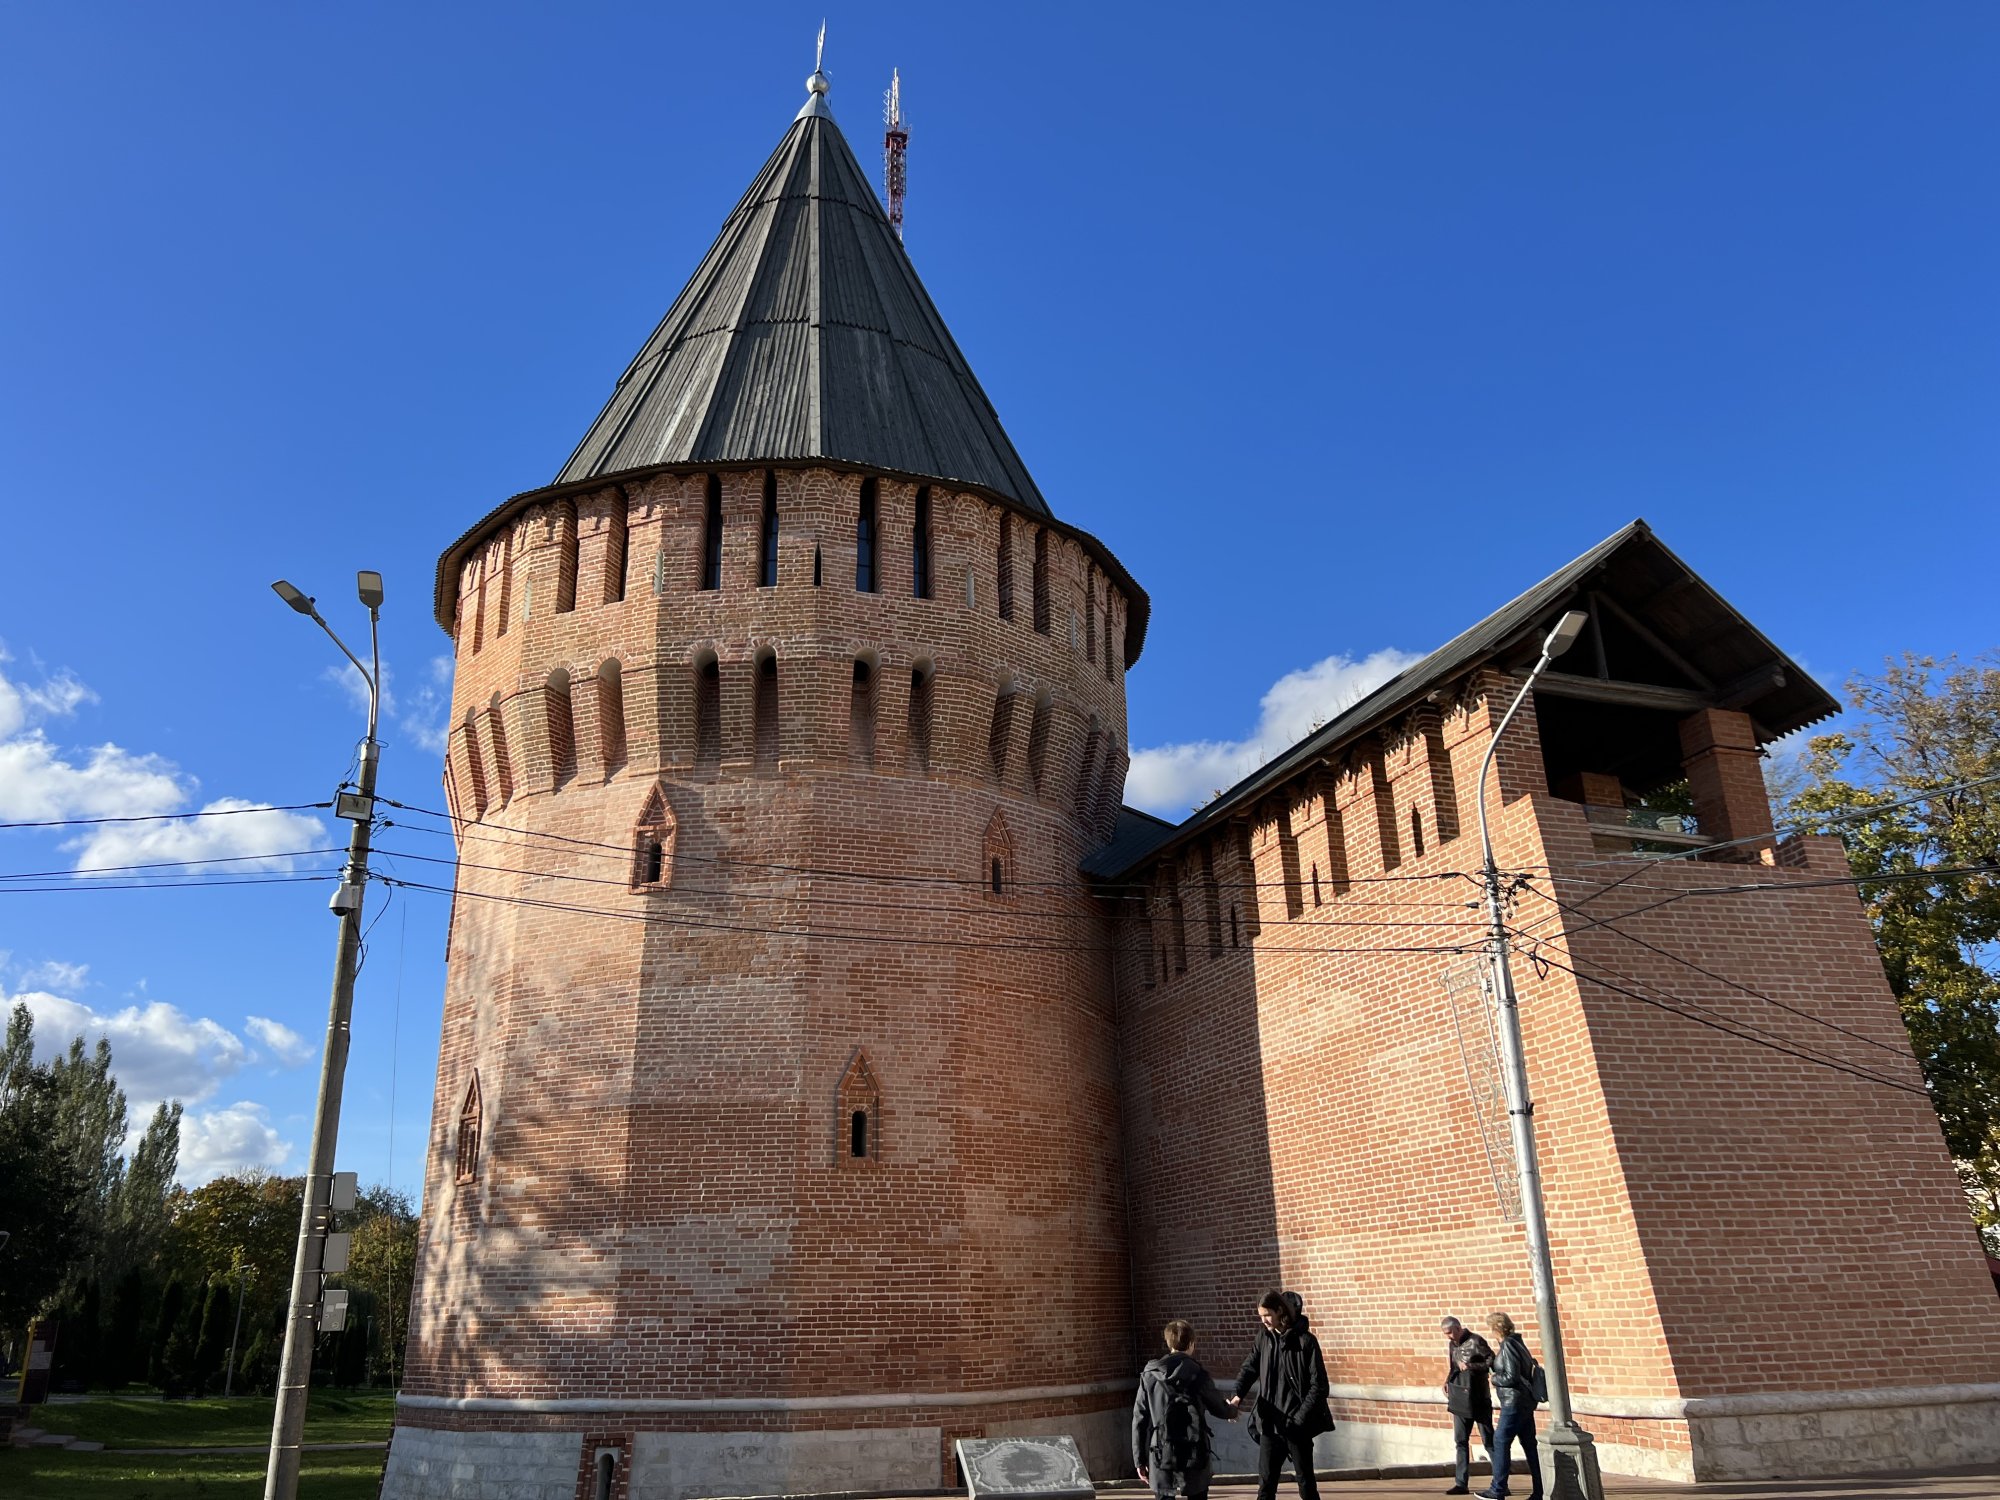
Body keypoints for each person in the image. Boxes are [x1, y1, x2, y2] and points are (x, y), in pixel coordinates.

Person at [1228, 1290, 1333, 1500]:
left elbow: (1320, 1386)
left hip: (1296, 1425)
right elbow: (1249, 1368)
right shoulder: (1263, 1338)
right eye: (1260, 1316)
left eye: (1267, 1315)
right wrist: (1237, 1395)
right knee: (1266, 1487)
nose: (1264, 1320)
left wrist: (1299, 1420)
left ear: (1279, 1311)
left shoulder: (1305, 1341)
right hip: (1269, 1424)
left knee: (1306, 1485)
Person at [1132, 1320, 1237, 1500]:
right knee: (1197, 1494)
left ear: (1168, 1343)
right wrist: (1232, 1409)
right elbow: (1218, 1407)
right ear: (1191, 1343)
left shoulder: (1150, 1375)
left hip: (1161, 1449)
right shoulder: (1197, 1373)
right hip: (1194, 1448)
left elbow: (1140, 1420)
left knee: (1165, 1496)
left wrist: (1139, 1459)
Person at [1478, 1311, 1543, 1500]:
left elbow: (1511, 1376)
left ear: (1496, 1328)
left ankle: (1497, 1489)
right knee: (1530, 1446)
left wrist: (1495, 1378)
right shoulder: (1518, 1344)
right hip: (1523, 1402)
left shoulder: (1508, 1345)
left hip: (1513, 1403)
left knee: (1500, 1442)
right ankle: (1540, 1489)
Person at [1439, 1316, 1494, 1496]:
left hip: (1478, 1398)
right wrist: (1448, 1381)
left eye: (1449, 1333)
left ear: (1457, 1328)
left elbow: (1491, 1362)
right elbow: (1453, 1366)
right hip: (1460, 1397)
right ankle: (1461, 1483)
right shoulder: (1452, 1345)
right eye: (1445, 1334)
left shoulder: (1476, 1341)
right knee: (1460, 1441)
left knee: (1489, 1440)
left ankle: (1501, 1480)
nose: (1448, 1337)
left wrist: (1470, 1366)